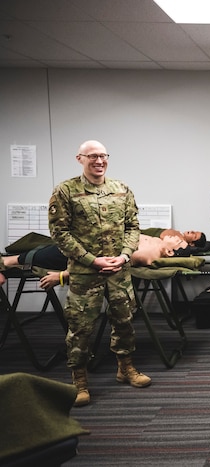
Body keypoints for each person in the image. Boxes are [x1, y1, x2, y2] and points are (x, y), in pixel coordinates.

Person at [48, 140, 151, 407]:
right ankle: (79, 380)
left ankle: (125, 368)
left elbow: (133, 227)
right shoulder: (65, 191)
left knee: (125, 321)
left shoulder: (121, 189)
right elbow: (60, 233)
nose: (99, 161)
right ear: (79, 159)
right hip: (85, 273)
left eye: (103, 156)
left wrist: (125, 255)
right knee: (81, 328)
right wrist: (92, 260)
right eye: (92, 156)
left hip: (119, 270)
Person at [0, 234, 193, 289]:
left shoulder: (149, 253)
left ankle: (6, 265)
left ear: (169, 252)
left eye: (178, 242)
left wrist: (64, 276)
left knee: (22, 259)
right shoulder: (156, 240)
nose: (177, 237)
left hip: (84, 256)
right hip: (87, 244)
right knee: (39, 248)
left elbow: (112, 265)